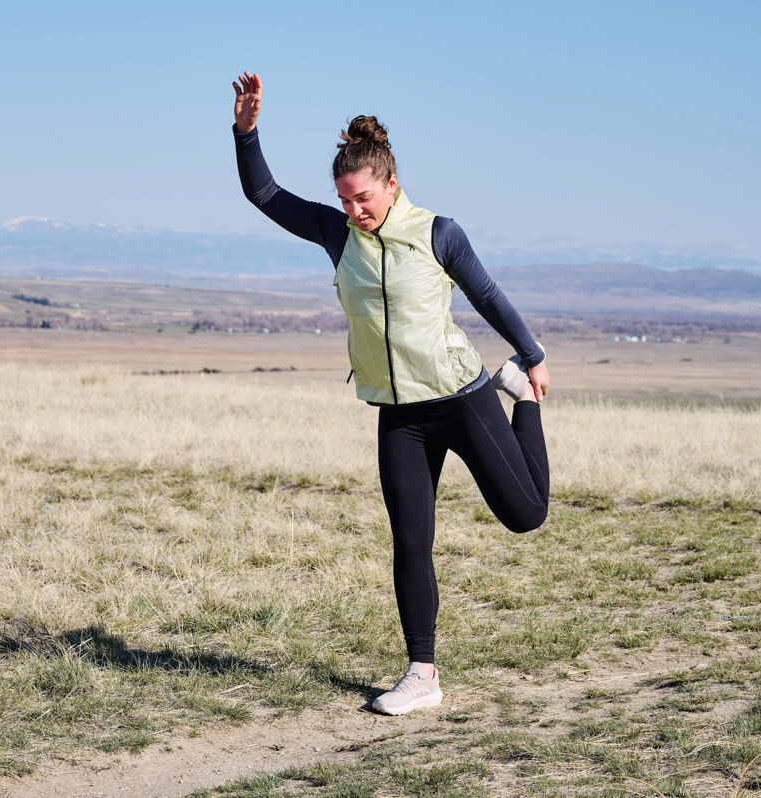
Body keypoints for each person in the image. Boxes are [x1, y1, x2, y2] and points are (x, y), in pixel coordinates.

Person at [231, 72, 551, 716]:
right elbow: (263, 192)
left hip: (462, 397)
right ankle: (422, 674)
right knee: (411, 538)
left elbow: (486, 295)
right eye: (345, 200)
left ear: (391, 184)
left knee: (526, 515)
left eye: (364, 198)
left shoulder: (438, 233)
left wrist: (533, 355)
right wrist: (247, 131)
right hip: (398, 416)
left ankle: (520, 397)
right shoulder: (336, 235)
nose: (354, 211)